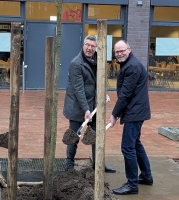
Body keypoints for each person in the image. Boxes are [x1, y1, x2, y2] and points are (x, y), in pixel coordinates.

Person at [63, 35, 116, 173]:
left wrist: (102, 94)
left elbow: (99, 81)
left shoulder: (98, 60)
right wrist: (86, 110)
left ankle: (98, 164)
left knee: (95, 134)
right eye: (87, 45)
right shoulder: (76, 63)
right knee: (74, 135)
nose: (90, 48)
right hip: (77, 106)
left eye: (93, 46)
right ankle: (69, 165)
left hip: (94, 104)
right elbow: (79, 89)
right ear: (83, 45)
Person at [109, 40, 153, 195]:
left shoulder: (132, 66)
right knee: (135, 144)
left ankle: (132, 184)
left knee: (127, 147)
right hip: (136, 110)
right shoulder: (129, 64)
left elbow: (126, 94)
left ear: (129, 50)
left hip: (135, 112)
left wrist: (114, 114)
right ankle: (146, 176)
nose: (119, 53)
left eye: (122, 50)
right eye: (117, 52)